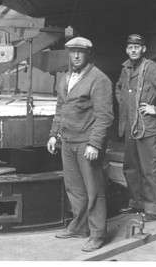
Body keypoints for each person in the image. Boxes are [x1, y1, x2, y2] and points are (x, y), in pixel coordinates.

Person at [47, 37, 114, 252]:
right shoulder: (66, 78)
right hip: (67, 142)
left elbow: (105, 116)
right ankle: (79, 227)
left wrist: (94, 144)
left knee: (94, 190)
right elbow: (60, 109)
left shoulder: (99, 79)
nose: (76, 56)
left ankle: (97, 234)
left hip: (87, 143)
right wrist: (53, 135)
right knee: (75, 189)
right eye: (72, 51)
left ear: (88, 55)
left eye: (80, 52)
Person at [115, 34, 156, 221]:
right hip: (130, 127)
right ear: (127, 50)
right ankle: (137, 203)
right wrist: (125, 106)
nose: (133, 50)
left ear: (143, 49)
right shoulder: (125, 68)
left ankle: (152, 209)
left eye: (137, 47)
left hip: (148, 128)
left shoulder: (151, 68)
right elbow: (118, 87)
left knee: (149, 169)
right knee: (131, 167)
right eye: (130, 47)